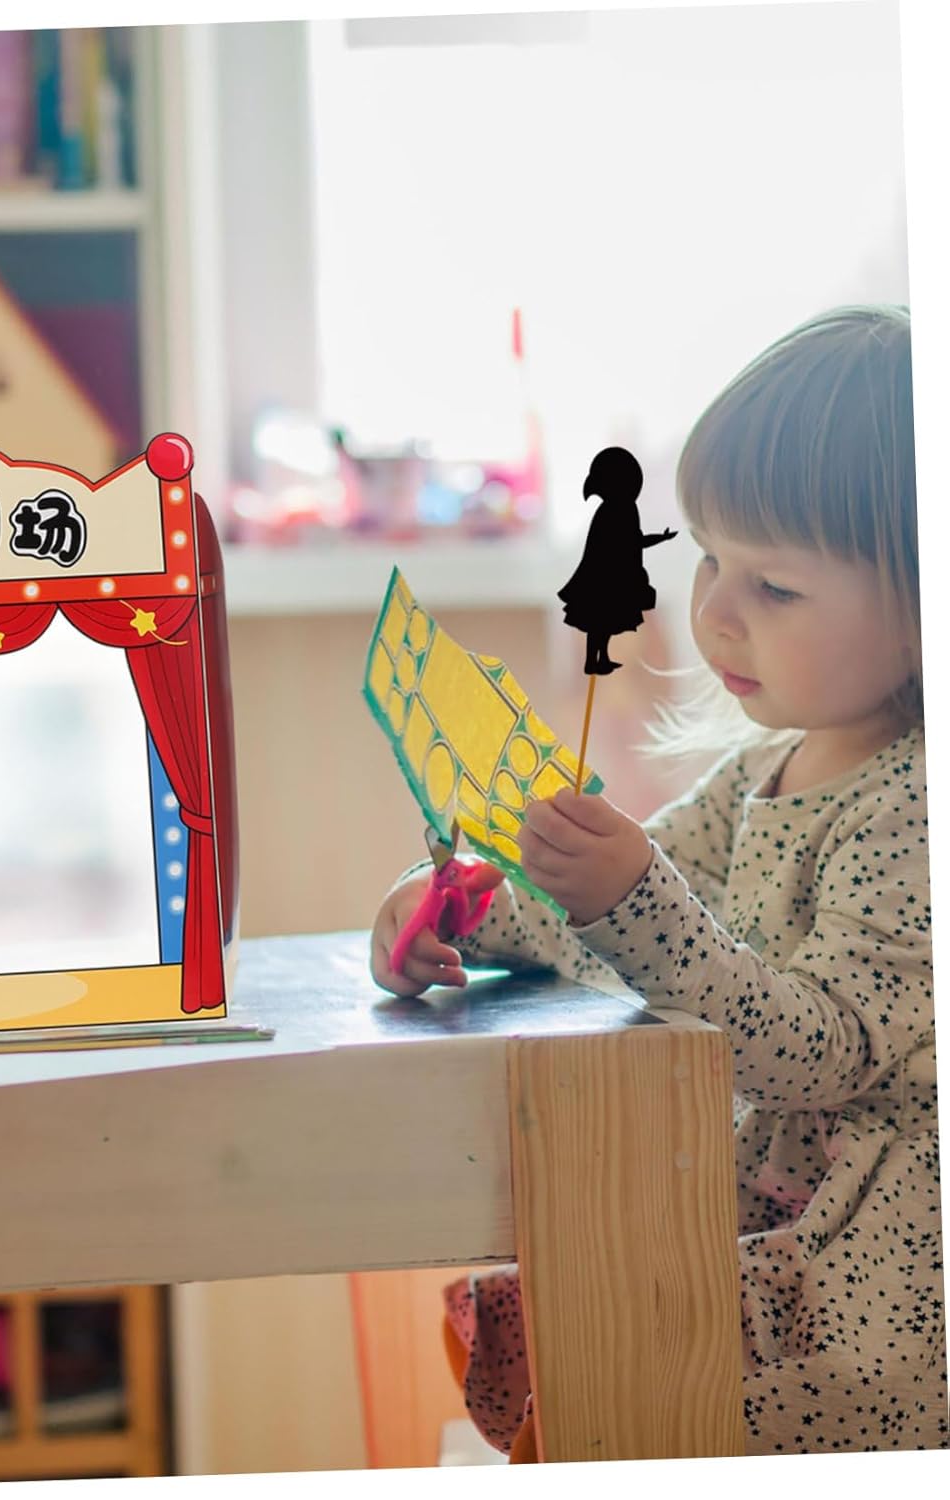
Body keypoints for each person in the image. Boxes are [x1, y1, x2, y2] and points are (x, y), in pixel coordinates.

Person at [368, 305, 944, 1457]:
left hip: (868, 1300)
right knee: (568, 1333)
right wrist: (474, 910)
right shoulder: (764, 770)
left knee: (614, 1375)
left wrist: (629, 897)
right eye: (712, 559)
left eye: (776, 588)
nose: (714, 611)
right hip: (765, 1220)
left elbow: (813, 1049)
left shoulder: (915, 806)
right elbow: (616, 914)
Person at [556, 445, 677, 674]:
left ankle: (600, 657)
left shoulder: (626, 511)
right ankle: (595, 659)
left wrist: (660, 538)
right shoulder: (610, 512)